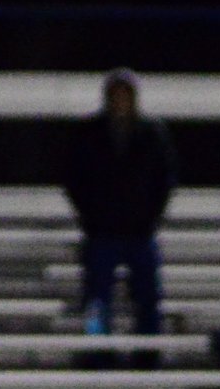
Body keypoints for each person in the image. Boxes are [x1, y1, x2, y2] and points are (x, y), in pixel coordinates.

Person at [63, 69, 177, 336]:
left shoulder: (152, 133)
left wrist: (151, 215)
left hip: (140, 230)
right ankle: (96, 349)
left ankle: (148, 351)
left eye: (125, 94)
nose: (120, 100)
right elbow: (73, 177)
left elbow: (165, 179)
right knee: (96, 299)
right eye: (116, 94)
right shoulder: (89, 134)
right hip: (102, 230)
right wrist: (90, 215)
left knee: (148, 298)